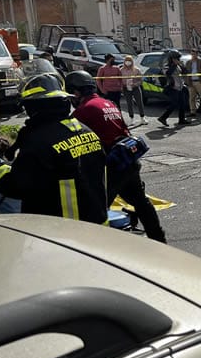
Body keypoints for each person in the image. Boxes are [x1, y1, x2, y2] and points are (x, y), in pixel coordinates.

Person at [66, 70, 167, 243]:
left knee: (97, 209)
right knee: (140, 202)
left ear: (76, 93)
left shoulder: (83, 111)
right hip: (127, 159)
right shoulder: (108, 103)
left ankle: (100, 249)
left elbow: (71, 139)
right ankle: (158, 239)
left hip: (111, 166)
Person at [0, 73, 108, 224]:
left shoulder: (39, 141)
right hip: (98, 225)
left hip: (61, 232)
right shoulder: (86, 131)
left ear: (33, 107)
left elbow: (16, 187)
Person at [157, 50, 190, 127]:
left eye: (178, 58)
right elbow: (168, 73)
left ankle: (182, 119)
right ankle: (163, 117)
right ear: (171, 58)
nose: (178, 60)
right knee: (174, 104)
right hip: (172, 87)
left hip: (180, 87)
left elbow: (185, 72)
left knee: (183, 103)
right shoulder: (166, 66)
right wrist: (174, 65)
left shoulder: (178, 65)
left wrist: (182, 66)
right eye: (176, 58)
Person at [120, 55, 147, 124]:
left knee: (139, 102)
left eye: (129, 60)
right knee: (129, 103)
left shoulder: (136, 70)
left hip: (135, 88)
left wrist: (135, 84)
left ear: (132, 61)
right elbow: (119, 80)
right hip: (126, 88)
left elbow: (141, 80)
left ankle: (142, 118)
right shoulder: (121, 70)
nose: (128, 62)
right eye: (126, 60)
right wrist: (123, 85)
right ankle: (131, 118)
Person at [186, 48, 201, 117]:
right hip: (191, 82)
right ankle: (192, 111)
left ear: (197, 54)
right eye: (192, 54)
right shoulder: (188, 62)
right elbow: (186, 72)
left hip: (199, 82)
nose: (193, 55)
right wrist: (187, 82)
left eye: (194, 54)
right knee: (192, 98)